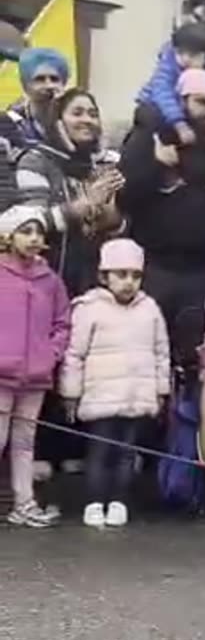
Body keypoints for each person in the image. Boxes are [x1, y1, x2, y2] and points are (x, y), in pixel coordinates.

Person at [118, 68, 205, 365]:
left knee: (198, 358)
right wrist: (156, 166)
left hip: (204, 273)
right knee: (144, 354)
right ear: (181, 101)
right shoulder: (150, 139)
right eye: (202, 102)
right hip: (155, 267)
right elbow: (124, 197)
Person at [60, 238, 170, 529]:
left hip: (135, 396)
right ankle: (95, 501)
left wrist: (161, 390)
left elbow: (161, 353)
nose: (129, 282)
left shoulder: (150, 310)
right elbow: (75, 354)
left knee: (126, 453)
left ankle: (119, 500)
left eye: (135, 276)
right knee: (100, 453)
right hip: (101, 397)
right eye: (121, 274)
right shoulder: (89, 308)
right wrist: (71, 393)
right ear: (104, 276)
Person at [12, 88, 125, 295]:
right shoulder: (36, 161)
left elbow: (115, 228)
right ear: (58, 122)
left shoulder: (99, 166)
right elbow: (29, 224)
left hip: (92, 289)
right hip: (42, 286)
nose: (87, 120)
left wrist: (114, 220)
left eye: (93, 114)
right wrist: (83, 206)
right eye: (77, 113)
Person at [0, 205, 70, 528]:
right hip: (2, 375)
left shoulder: (50, 281)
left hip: (35, 377)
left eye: (37, 232)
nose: (33, 238)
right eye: (25, 231)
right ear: (8, 236)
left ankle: (24, 502)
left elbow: (62, 323)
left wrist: (50, 354)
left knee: (25, 442)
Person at [136, 21, 205, 147]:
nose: (185, 59)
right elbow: (163, 94)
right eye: (180, 53)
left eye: (193, 55)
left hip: (190, 111)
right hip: (157, 105)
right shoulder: (168, 67)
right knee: (148, 115)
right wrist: (179, 124)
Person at [6, 47, 69, 147]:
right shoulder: (9, 122)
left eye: (54, 79)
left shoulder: (75, 120)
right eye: (40, 79)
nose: (49, 86)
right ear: (25, 85)